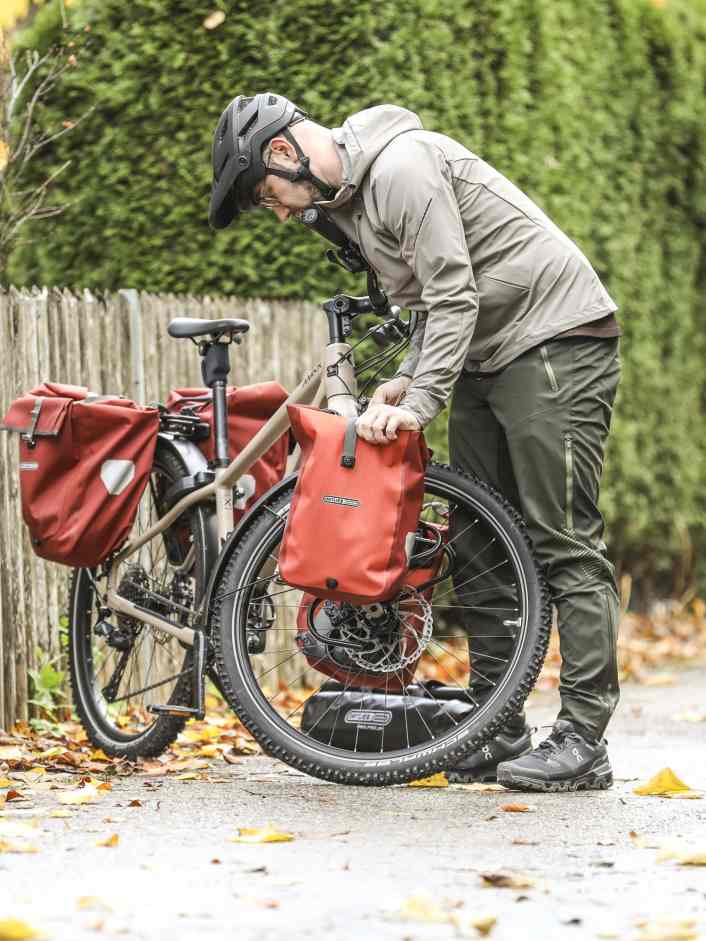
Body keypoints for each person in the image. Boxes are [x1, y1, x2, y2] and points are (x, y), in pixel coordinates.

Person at [209, 93, 621, 793]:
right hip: (491, 352)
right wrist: (408, 379)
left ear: (283, 152)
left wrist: (423, 401)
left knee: (561, 538)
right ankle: (496, 728)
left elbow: (455, 292)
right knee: (480, 540)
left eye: (268, 195)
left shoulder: (403, 167)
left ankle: (584, 740)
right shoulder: (354, 203)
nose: (277, 213)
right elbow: (430, 305)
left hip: (556, 338)